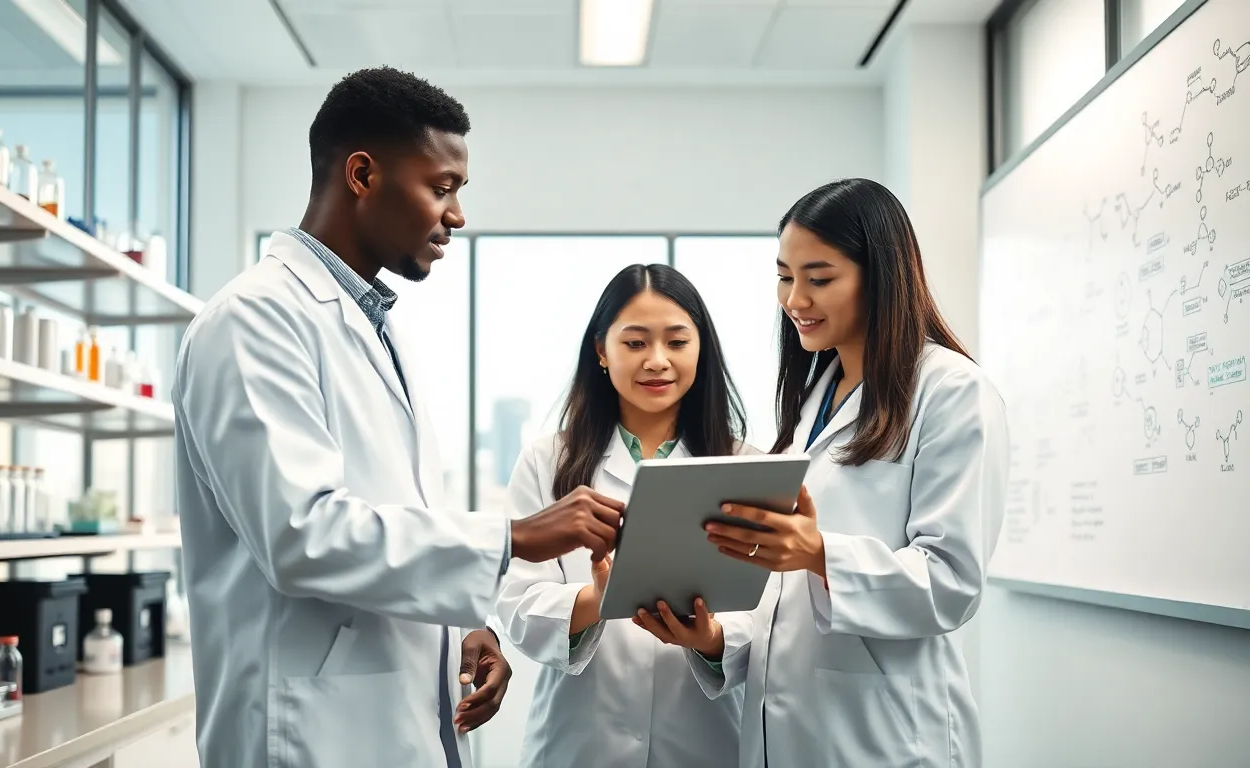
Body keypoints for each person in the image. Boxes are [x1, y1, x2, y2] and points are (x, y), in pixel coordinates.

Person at [172, 67, 625, 768]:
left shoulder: (382, 331)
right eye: (440, 188)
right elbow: (303, 534)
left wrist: (459, 627)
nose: (457, 215)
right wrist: (514, 539)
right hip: (308, 733)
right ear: (362, 174)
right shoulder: (253, 320)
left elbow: (396, 517)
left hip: (393, 721)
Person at [635, 178, 1008, 767]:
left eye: (820, 278)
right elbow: (782, 607)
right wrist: (714, 644)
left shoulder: (952, 391)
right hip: (786, 734)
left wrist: (818, 553)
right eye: (785, 276)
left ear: (880, 275)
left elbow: (951, 584)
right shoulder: (810, 404)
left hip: (886, 738)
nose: (795, 299)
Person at [492, 263, 757, 767]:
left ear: (701, 349)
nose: (657, 361)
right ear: (601, 351)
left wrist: (713, 639)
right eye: (635, 343)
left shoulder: (748, 466)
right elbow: (517, 603)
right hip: (580, 745)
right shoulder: (548, 462)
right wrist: (596, 599)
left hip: (705, 743)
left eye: (677, 343)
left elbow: (769, 615)